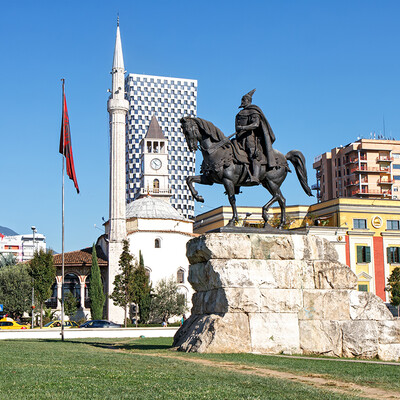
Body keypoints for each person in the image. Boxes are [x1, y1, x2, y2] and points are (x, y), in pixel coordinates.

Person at [235, 89, 277, 183]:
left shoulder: (253, 111)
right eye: (241, 100)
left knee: (252, 155)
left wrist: (242, 128)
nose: (242, 102)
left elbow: (256, 124)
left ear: (248, 101)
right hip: (239, 138)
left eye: (243, 100)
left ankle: (255, 177)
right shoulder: (239, 113)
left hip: (250, 137)